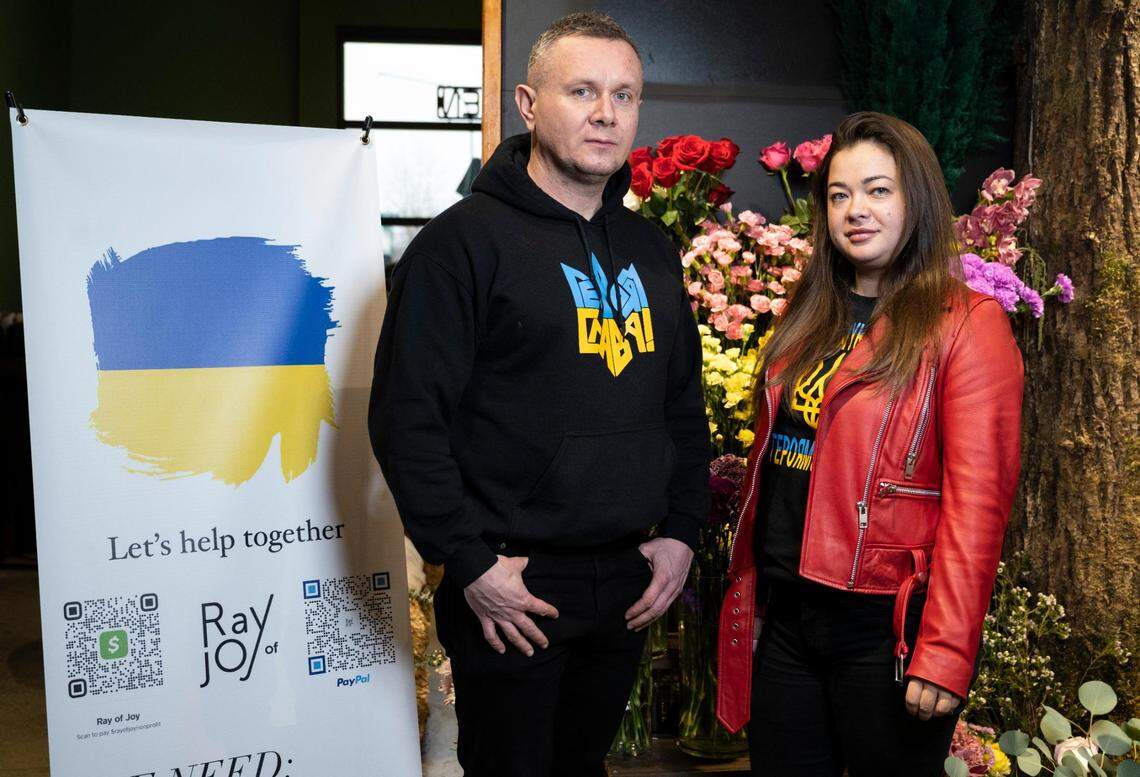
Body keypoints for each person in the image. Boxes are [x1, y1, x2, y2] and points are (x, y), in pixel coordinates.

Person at [369, 12, 709, 777]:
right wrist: (469, 561)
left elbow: (683, 408)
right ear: (527, 104)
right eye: (582, 91)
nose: (605, 113)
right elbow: (407, 420)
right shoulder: (459, 246)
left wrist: (683, 532)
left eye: (624, 95)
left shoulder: (651, 249)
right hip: (512, 582)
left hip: (626, 575)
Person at [715, 112, 1024, 776]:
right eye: (839, 194)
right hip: (787, 617)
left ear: (917, 199)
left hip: (885, 630)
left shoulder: (967, 325)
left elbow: (978, 510)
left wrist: (945, 652)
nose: (856, 209)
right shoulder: (808, 314)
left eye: (878, 190)